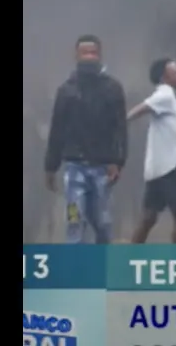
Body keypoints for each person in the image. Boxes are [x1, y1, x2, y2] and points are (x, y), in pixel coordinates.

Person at [44, 35, 128, 244]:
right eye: (85, 53)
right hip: (74, 169)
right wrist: (50, 166)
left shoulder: (112, 88)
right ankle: (77, 263)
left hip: (102, 169)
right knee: (74, 219)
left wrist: (117, 161)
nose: (89, 57)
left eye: (93, 53)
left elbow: (120, 129)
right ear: (76, 56)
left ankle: (100, 261)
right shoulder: (66, 91)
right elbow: (57, 130)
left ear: (100, 55)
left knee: (103, 222)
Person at [126, 58, 176, 243]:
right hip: (173, 168)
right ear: (165, 78)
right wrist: (121, 122)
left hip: (157, 169)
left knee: (148, 217)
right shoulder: (165, 95)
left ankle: (130, 255)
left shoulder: (172, 100)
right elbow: (141, 109)